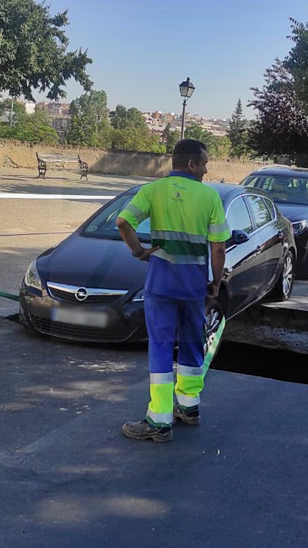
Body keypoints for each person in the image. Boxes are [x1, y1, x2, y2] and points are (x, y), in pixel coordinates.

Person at [115, 139, 229, 443]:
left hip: (161, 286)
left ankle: (159, 420)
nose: (206, 170)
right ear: (191, 164)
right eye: (204, 163)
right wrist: (215, 283)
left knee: (162, 348)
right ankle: (189, 408)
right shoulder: (210, 197)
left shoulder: (153, 191)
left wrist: (140, 251)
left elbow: (123, 222)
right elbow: (218, 248)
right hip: (193, 287)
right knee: (193, 344)